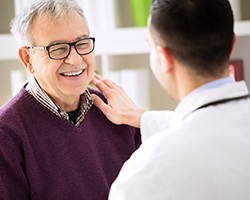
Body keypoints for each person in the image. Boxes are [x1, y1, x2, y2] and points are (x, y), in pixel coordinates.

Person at [91, 0, 250, 199]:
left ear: (163, 57)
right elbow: (213, 126)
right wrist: (142, 117)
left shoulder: (147, 172)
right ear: (232, 43)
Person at [0, 0, 141, 199]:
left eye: (82, 44)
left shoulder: (118, 112)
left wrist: (140, 119)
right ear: (27, 59)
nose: (75, 59)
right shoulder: (6, 134)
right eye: (58, 49)